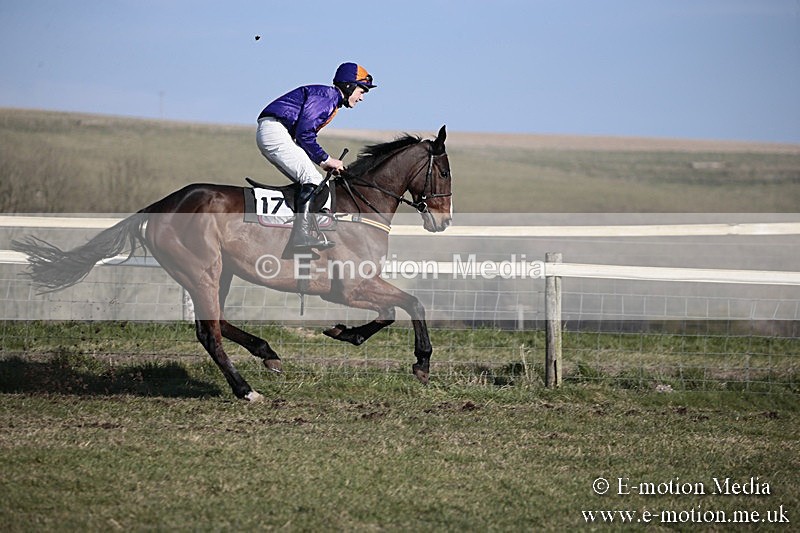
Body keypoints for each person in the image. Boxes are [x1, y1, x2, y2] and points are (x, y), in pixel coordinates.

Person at [256, 62, 377, 251]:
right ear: (349, 86)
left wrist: (325, 162)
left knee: (314, 182)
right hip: (276, 131)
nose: (362, 97)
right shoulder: (326, 97)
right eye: (362, 91)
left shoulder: (330, 99)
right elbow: (305, 134)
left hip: (278, 131)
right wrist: (327, 160)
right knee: (312, 179)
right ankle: (301, 236)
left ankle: (299, 229)